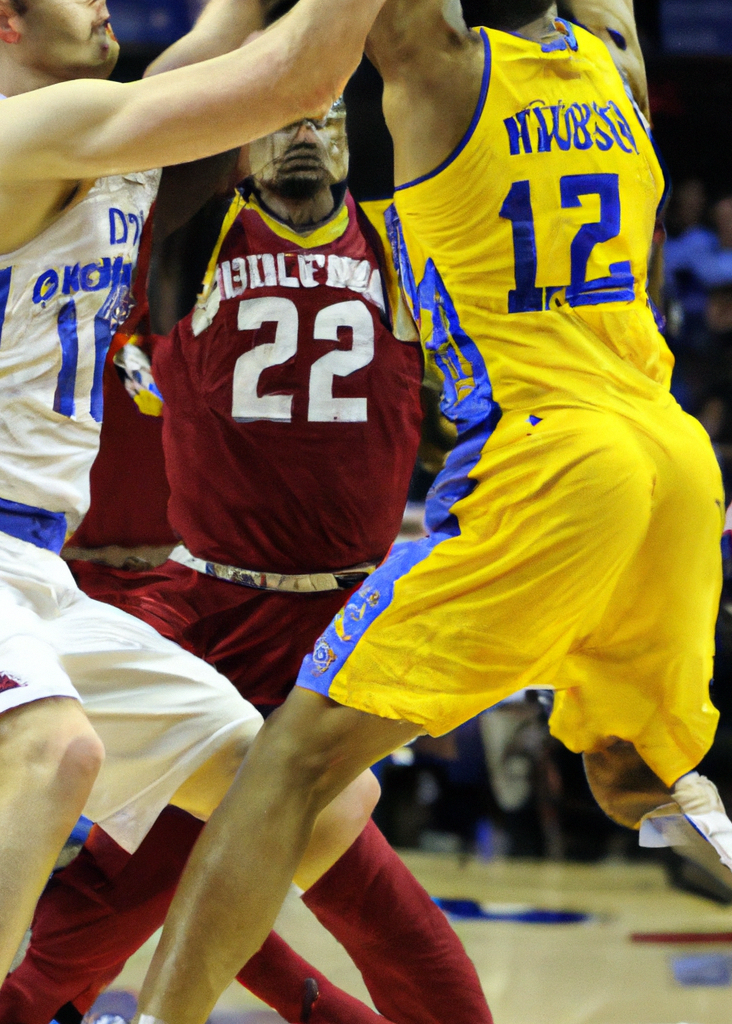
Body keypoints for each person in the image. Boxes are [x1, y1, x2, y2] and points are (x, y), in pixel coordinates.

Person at [129, 2, 732, 1022]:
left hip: (552, 453)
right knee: (636, 773)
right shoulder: (615, 63)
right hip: (673, 457)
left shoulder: (438, 64)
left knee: (290, 762)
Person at [0, 2, 390, 1024]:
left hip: (32, 575)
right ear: (4, 17)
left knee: (309, 799)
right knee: (55, 751)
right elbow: (291, 82)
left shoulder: (104, 116)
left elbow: (241, 29)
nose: (105, 0)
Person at [0, 94, 491, 1024]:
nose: (304, 132)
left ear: (353, 141)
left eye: (326, 118)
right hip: (212, 610)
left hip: (347, 626)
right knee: (133, 895)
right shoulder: (192, 242)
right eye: (284, 116)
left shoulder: (403, 245)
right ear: (243, 139)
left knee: (324, 888)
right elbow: (145, 169)